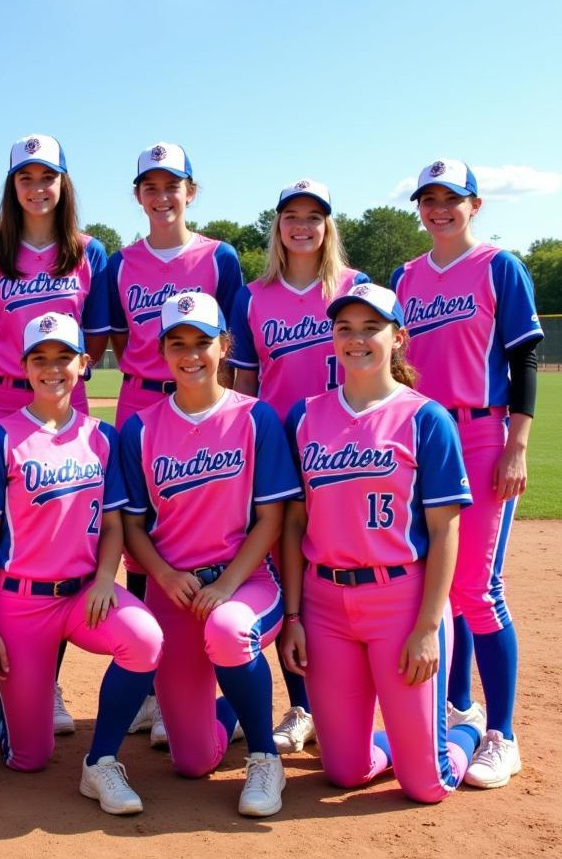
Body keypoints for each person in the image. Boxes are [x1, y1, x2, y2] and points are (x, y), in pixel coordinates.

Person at [280, 283, 482, 803]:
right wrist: (295, 618)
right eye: (345, 328)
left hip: (401, 602)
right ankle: (404, 736)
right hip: (326, 606)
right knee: (344, 771)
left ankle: (466, 732)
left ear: (398, 338)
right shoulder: (304, 418)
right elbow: (295, 524)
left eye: (372, 327)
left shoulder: (425, 418)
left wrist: (429, 628)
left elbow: (444, 531)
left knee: (428, 785)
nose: (357, 339)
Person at [0, 312, 163, 815]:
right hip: (21, 601)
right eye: (40, 359)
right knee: (29, 758)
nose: (52, 368)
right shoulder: (1, 437)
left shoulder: (102, 436)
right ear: (25, 366)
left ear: (84, 363)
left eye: (63, 358)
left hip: (84, 595)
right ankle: (9, 715)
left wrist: (104, 579)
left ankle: (101, 761)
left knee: (145, 639)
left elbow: (116, 523)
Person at [390, 159, 543, 788]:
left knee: (476, 589)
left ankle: (502, 735)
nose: (439, 209)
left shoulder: (499, 266)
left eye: (451, 199)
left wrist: (518, 443)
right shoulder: (404, 276)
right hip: (422, 432)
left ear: (475, 205)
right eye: (429, 199)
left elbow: (525, 354)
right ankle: (458, 709)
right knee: (433, 580)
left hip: (482, 432)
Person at [121, 292, 299, 817]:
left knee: (228, 630)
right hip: (170, 588)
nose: (190, 354)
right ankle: (235, 713)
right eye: (178, 343)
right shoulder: (141, 427)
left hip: (244, 582)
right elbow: (132, 526)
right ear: (163, 351)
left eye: (202, 342)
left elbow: (271, 519)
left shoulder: (255, 418)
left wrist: (226, 586)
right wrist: (164, 574)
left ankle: (265, 757)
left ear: (224, 347)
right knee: (192, 761)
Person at [0, 134, 111, 734]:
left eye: (47, 177)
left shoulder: (88, 250)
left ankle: (46, 682)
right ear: (12, 188)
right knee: (10, 536)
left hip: (66, 392)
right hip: (7, 390)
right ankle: (25, 684)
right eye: (25, 178)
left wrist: (63, 377)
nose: (37, 188)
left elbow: (99, 338)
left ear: (63, 184)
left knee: (60, 531)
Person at [107, 142, 244, 746]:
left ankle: (207, 688)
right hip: (142, 397)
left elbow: (234, 340)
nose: (162, 197)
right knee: (146, 540)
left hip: (208, 398)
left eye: (173, 186)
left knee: (215, 526)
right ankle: (152, 684)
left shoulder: (220, 256)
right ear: (138, 196)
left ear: (192, 191)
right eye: (150, 187)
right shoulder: (120, 261)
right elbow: (114, 334)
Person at [229, 179, 368, 755]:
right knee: (286, 572)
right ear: (278, 225)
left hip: (344, 449)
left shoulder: (354, 287)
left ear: (328, 225)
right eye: (292, 215)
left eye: (315, 216)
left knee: (340, 567)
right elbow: (242, 382)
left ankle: (345, 698)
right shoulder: (253, 295)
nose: (303, 225)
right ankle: (300, 705)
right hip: (277, 450)